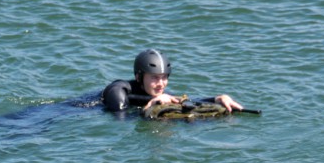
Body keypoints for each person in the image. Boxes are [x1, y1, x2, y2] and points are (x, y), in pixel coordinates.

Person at [101, 48, 243, 113]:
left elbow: (183, 101)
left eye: (164, 77)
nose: (161, 83)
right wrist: (149, 104)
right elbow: (119, 114)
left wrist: (217, 99)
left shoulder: (158, 94)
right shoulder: (120, 87)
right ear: (139, 77)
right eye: (154, 77)